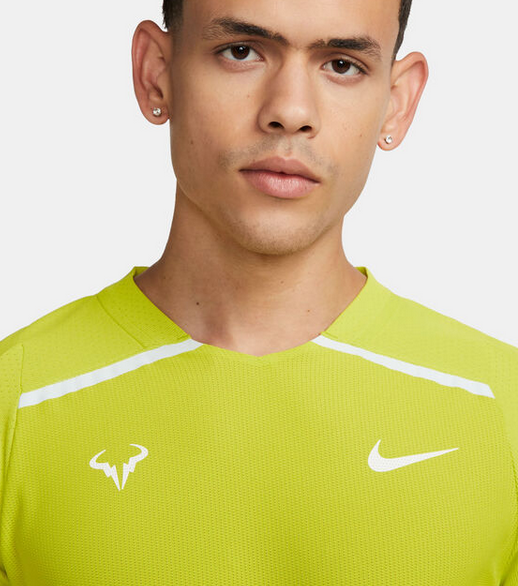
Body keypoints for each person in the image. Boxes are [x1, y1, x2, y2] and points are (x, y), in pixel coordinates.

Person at [0, 0, 517, 582]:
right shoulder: (16, 402)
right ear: (156, 72)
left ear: (398, 101)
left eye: (342, 65)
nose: (290, 112)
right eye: (241, 52)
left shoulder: (502, 408)